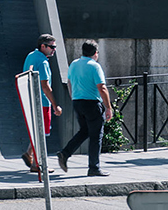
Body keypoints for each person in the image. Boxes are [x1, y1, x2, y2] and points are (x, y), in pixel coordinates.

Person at [57, 40, 113, 177]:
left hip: (77, 102)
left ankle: (65, 153)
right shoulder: (95, 66)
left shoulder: (74, 64)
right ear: (95, 53)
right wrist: (108, 107)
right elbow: (102, 87)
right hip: (92, 103)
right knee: (96, 136)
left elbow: (69, 82)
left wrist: (73, 98)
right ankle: (94, 167)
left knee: (84, 131)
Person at [21, 34, 62, 173]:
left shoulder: (31, 56)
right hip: (42, 102)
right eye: (52, 47)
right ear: (43, 46)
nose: (54, 50)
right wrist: (55, 105)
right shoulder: (43, 62)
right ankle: (38, 164)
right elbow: (45, 86)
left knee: (36, 132)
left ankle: (29, 154)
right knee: (41, 134)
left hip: (30, 100)